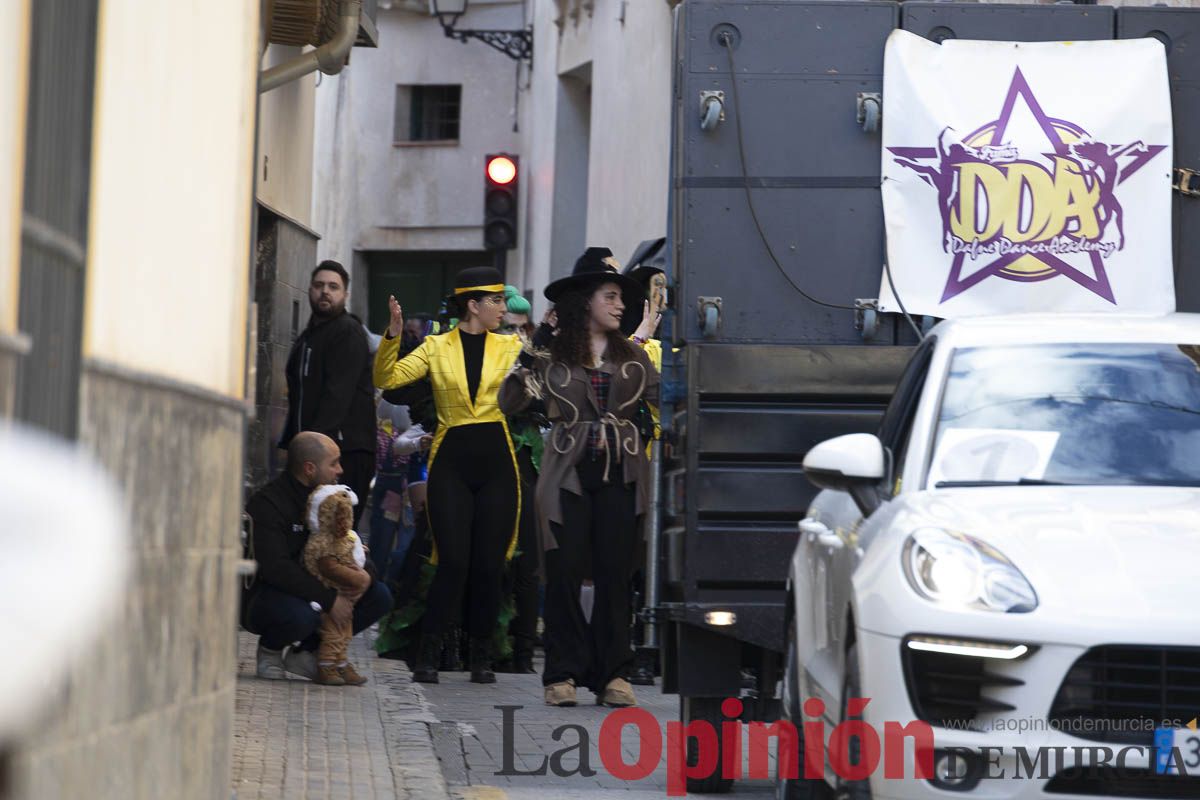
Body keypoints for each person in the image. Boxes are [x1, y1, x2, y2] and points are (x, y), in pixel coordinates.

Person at [499, 247, 660, 708]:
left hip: (623, 474)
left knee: (615, 573)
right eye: (610, 296)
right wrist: (533, 347)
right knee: (565, 572)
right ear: (585, 302)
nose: (620, 305)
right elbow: (508, 401)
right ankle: (561, 675)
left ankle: (615, 675)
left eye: (620, 299)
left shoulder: (634, 355)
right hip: (567, 474)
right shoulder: (551, 356)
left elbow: (667, 397)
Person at [373, 266, 525, 684]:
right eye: (495, 300)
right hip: (451, 460)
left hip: (498, 461)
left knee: (490, 563)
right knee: (452, 560)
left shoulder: (513, 347)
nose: (502, 308)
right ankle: (430, 650)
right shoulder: (435, 347)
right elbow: (387, 379)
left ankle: (481, 654)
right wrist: (393, 336)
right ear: (472, 305)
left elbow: (538, 390)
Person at [243, 432, 392, 680]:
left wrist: (366, 575)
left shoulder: (331, 500)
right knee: (303, 614)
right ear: (309, 468)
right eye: (333, 463)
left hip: (320, 587)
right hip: (267, 596)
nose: (340, 470)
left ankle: (309, 654)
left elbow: (348, 545)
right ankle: (270, 650)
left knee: (379, 596)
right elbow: (275, 568)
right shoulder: (270, 503)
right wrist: (329, 600)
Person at [280, 260, 376, 528]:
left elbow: (338, 397)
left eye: (333, 287)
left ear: (344, 295)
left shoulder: (347, 331)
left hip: (342, 454)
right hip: (312, 453)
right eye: (319, 285)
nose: (325, 291)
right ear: (309, 289)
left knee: (338, 538)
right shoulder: (308, 337)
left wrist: (310, 449)